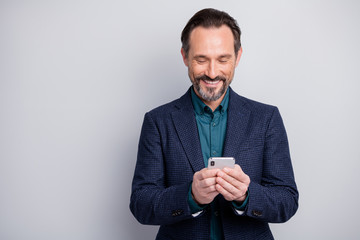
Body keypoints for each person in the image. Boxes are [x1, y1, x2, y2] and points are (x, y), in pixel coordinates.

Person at [130, 8, 298, 240]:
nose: (212, 72)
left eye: (222, 59)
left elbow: (287, 201)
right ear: (185, 56)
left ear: (237, 57)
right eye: (201, 59)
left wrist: (247, 195)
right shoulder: (158, 121)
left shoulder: (266, 119)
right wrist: (190, 196)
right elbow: (141, 204)